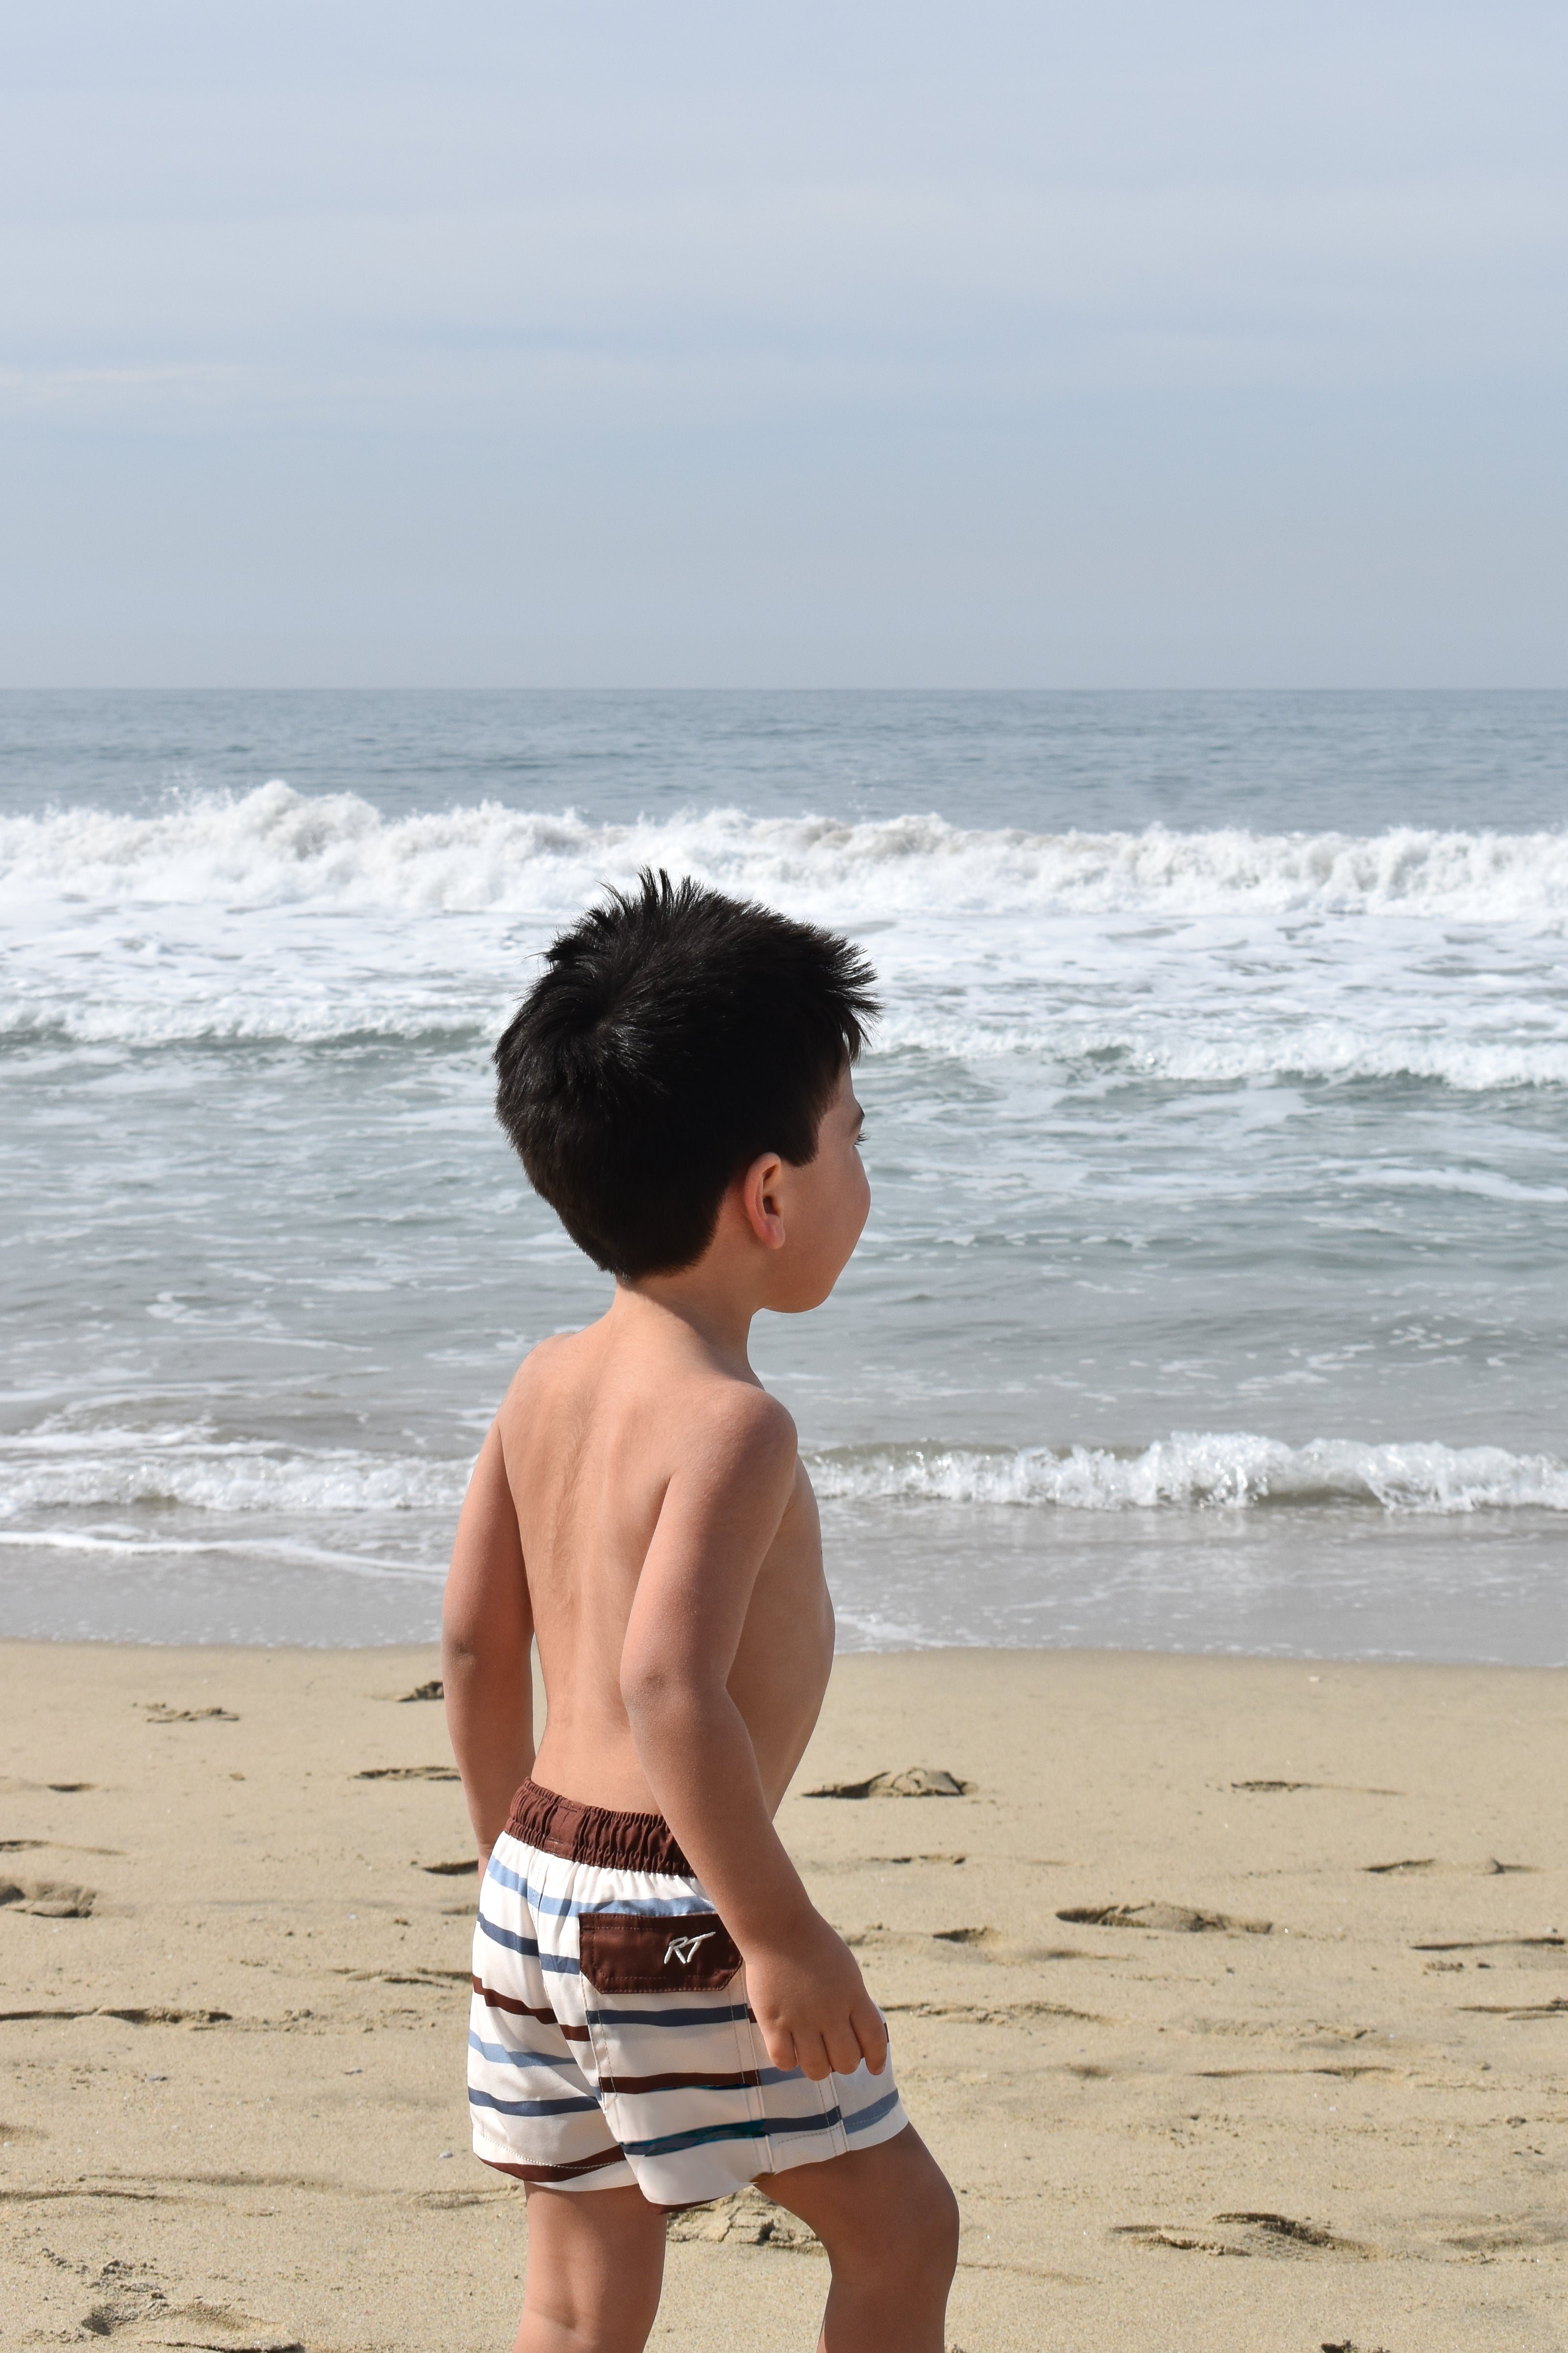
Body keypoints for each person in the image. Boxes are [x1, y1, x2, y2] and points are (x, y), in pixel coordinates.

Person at [442, 870, 959, 2353]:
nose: (866, 1173)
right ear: (770, 1195)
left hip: (534, 1879)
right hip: (670, 1902)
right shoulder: (735, 1424)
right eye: (855, 1136)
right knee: (900, 2228)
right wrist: (779, 1935)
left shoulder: (545, 1379)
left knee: (578, 2290)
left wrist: (507, 1865)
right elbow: (670, 1686)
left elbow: (477, 1644)